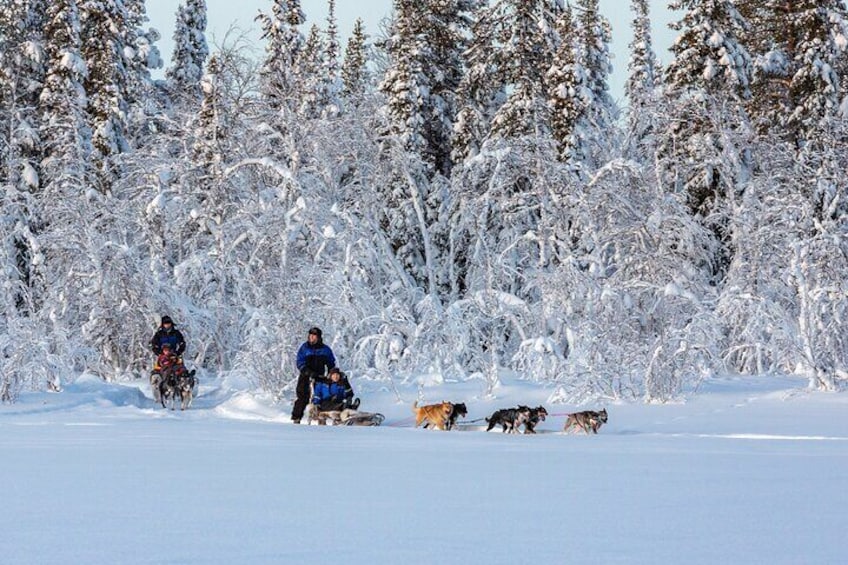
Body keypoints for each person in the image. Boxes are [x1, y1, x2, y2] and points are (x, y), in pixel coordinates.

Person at [291, 326, 336, 424]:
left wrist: (331, 374)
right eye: (310, 335)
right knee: (302, 396)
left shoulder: (325, 349)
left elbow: (331, 363)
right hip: (305, 375)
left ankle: (320, 417)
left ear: (318, 337)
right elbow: (299, 362)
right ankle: (296, 418)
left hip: (319, 376)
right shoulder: (304, 348)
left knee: (321, 396)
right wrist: (307, 371)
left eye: (314, 336)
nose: (311, 337)